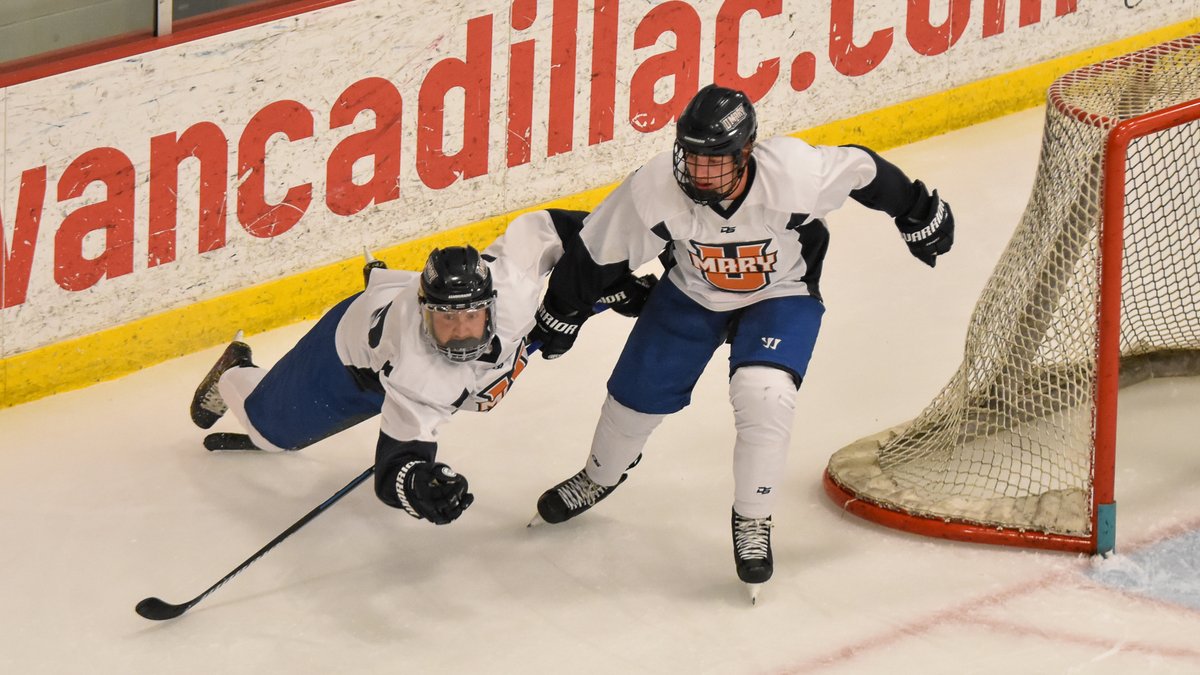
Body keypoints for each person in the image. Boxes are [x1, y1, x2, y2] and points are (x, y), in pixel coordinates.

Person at [526, 84, 955, 596]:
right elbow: (598, 249)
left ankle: (753, 519)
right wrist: (561, 313)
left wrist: (914, 211)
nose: (697, 172)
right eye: (691, 156)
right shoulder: (655, 188)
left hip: (782, 292)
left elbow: (863, 170)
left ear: (746, 152)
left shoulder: (793, 174)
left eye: (714, 161)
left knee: (765, 394)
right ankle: (600, 475)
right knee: (632, 399)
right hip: (691, 291)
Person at [188, 209, 653, 525]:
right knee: (270, 433)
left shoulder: (511, 285)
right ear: (426, 314)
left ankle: (383, 280)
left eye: (470, 317)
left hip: (403, 306)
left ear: (490, 305)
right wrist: (420, 487)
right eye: (445, 320)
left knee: (561, 307)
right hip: (352, 364)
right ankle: (236, 371)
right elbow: (394, 471)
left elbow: (559, 229)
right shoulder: (420, 372)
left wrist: (610, 281)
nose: (458, 334)